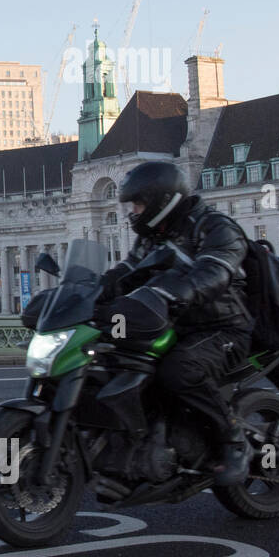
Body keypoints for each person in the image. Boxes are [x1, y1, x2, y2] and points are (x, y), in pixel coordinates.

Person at [99, 160, 253, 486]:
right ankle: (136, 449)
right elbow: (127, 272)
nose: (134, 212)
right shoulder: (151, 238)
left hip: (222, 326)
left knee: (179, 369)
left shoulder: (214, 227)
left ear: (160, 200)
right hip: (170, 326)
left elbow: (214, 271)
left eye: (139, 204)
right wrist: (92, 291)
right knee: (115, 361)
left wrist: (178, 290)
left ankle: (233, 438)